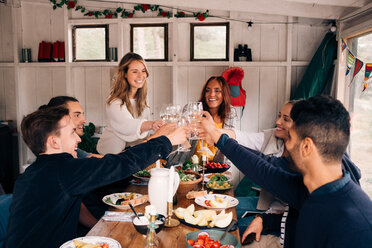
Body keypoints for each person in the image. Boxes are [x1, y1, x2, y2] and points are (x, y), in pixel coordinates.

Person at [199, 95, 372, 247]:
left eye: (291, 138)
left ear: (306, 147)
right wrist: (218, 138)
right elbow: (265, 169)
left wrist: (218, 138)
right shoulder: (312, 188)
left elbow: (266, 169)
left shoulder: (357, 227)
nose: (287, 145)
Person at [5, 106, 187, 248]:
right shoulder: (62, 170)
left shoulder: (37, 172)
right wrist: (167, 141)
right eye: (71, 133)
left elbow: (111, 172)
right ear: (54, 142)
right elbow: (118, 164)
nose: (78, 139)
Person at [97, 52, 164, 155]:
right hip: (110, 154)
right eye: (134, 72)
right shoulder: (114, 101)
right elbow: (127, 124)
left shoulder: (143, 98)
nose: (141, 76)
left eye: (143, 71)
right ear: (124, 74)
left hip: (132, 153)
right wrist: (152, 124)